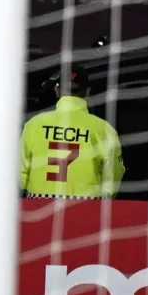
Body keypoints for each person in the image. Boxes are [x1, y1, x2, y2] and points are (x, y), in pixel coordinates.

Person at [20, 65, 125, 199]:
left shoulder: (34, 125)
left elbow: (20, 172)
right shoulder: (103, 129)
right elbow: (113, 175)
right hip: (85, 207)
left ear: (57, 90)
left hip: (40, 205)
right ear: (87, 91)